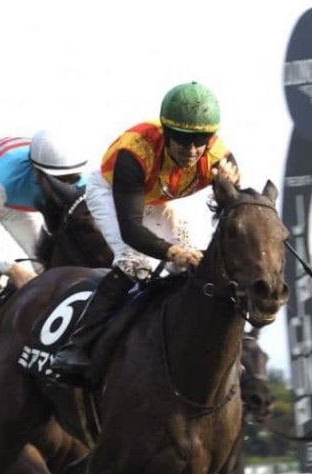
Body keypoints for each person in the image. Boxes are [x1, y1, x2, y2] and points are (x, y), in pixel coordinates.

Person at [49, 81, 240, 385]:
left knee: (194, 263)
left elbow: (234, 218)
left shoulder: (220, 158)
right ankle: (76, 345)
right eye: (182, 141)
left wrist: (226, 191)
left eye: (200, 141)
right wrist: (172, 251)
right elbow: (131, 230)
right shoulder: (135, 153)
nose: (192, 151)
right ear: (166, 132)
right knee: (135, 262)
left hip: (157, 198)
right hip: (112, 191)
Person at [0, 130, 88, 352]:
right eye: (59, 181)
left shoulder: (82, 182)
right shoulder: (1, 180)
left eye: (72, 179)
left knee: (49, 267)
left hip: (18, 201)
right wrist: (14, 270)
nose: (67, 187)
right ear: (38, 172)